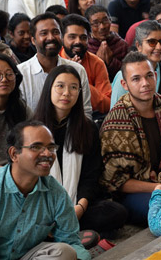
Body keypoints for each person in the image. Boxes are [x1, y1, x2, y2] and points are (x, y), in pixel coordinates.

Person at [0, 121, 91, 260]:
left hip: (27, 256)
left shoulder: (55, 191)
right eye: (36, 147)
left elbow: (71, 242)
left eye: (51, 147)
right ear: (14, 154)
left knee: (65, 252)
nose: (47, 154)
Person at [33, 65, 127, 234]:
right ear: (49, 89)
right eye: (60, 86)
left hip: (77, 201)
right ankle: (58, 227)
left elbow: (91, 176)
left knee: (116, 212)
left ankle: (60, 228)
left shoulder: (87, 128)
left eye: (73, 87)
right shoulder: (33, 129)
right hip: (41, 204)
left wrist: (80, 208)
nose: (66, 93)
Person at [100, 51, 161, 226]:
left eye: (149, 76)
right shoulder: (116, 122)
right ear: (124, 84)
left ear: (155, 76)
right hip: (133, 193)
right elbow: (118, 182)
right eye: (136, 79)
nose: (145, 83)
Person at [111, 20, 161, 105]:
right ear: (138, 46)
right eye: (152, 42)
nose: (159, 47)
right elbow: (116, 114)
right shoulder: (124, 76)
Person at [58, 14, 112, 116]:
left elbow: (107, 104)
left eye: (83, 37)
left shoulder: (97, 63)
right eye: (72, 37)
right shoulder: (55, 61)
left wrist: (81, 78)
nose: (78, 41)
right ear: (61, 38)